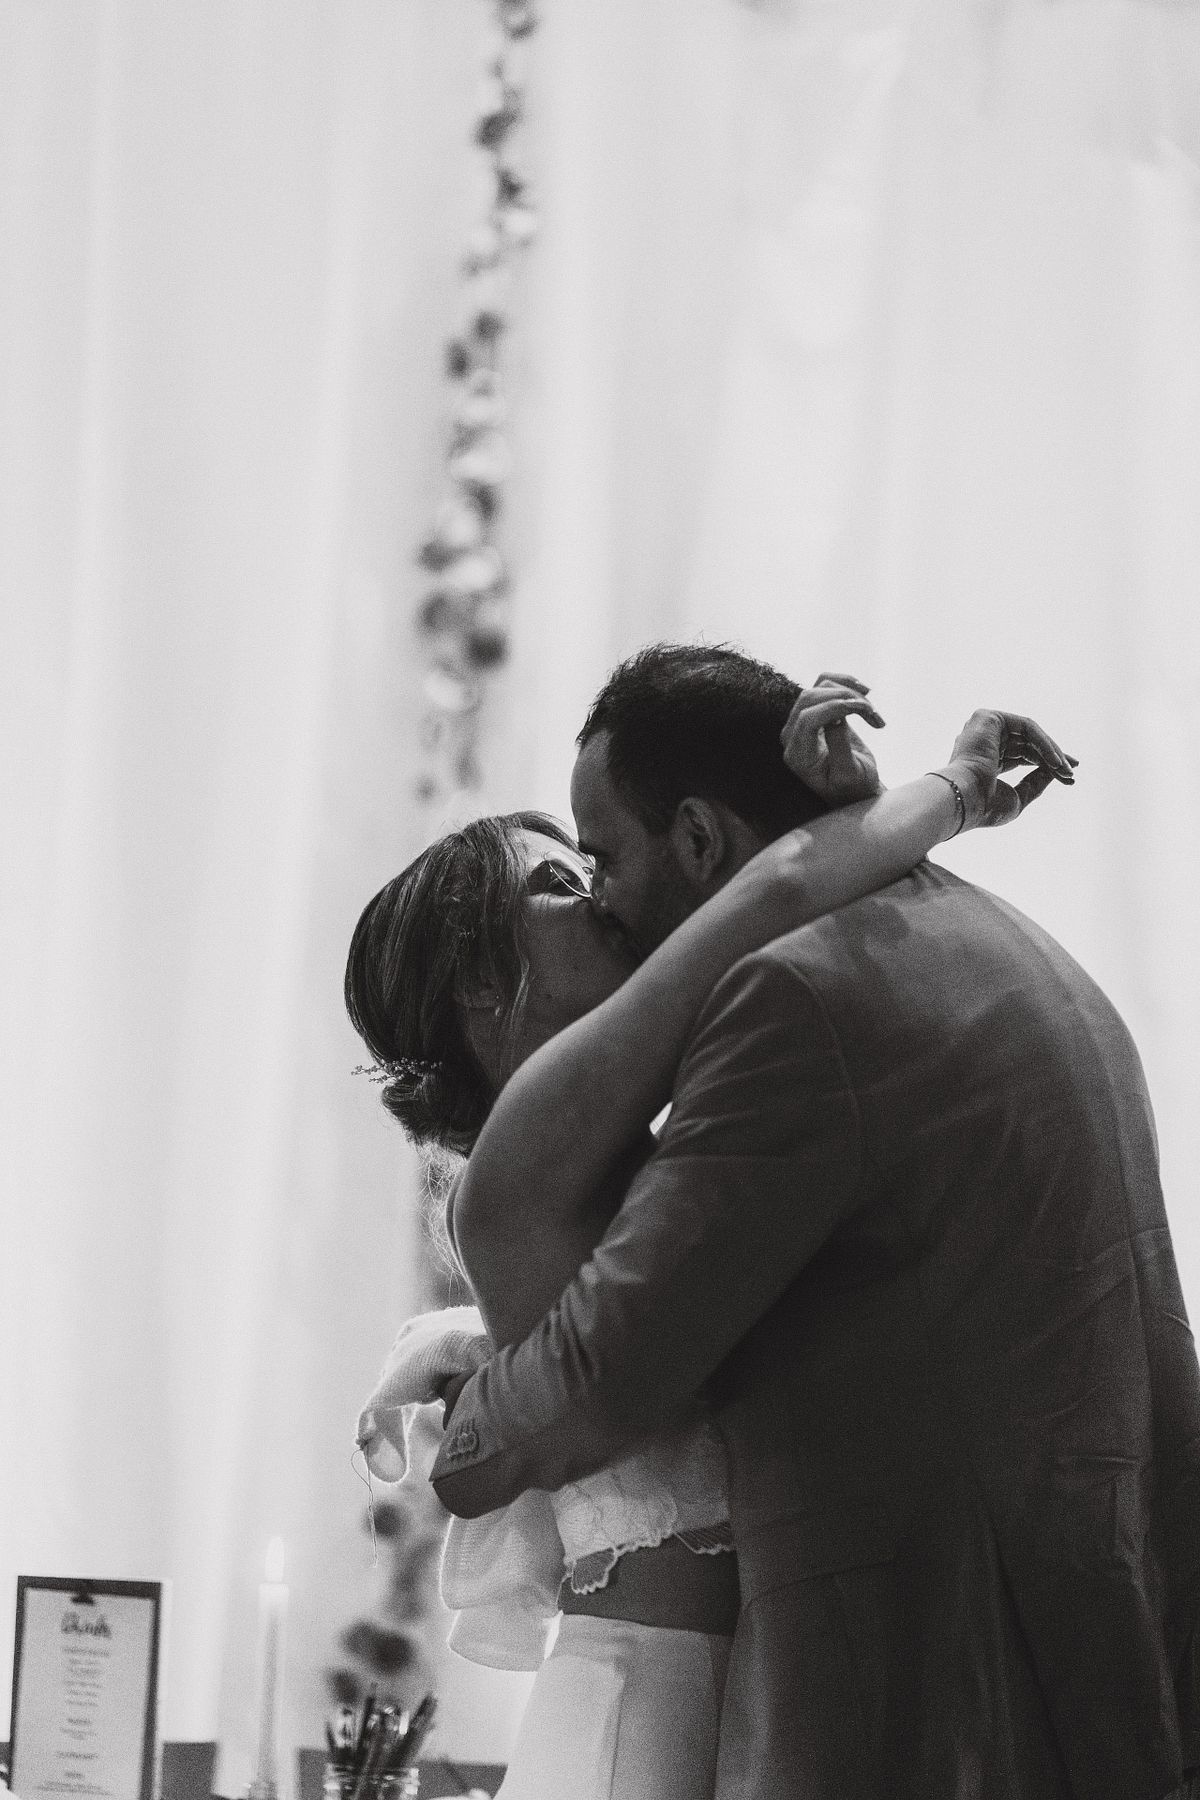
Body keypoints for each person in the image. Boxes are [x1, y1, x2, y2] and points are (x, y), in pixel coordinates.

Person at [427, 642, 1200, 1800]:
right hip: (1120, 1637)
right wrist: (940, 794)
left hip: (943, 1690)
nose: (606, 898)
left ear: (697, 839)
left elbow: (609, 1377)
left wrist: (466, 1426)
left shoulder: (791, 998)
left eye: (601, 857)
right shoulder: (1015, 947)